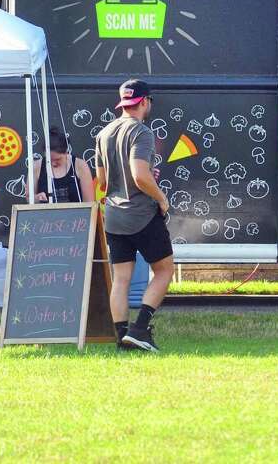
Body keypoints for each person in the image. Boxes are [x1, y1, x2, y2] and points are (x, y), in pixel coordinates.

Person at [95, 79, 173, 352]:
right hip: (141, 214)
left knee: (121, 279)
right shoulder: (142, 132)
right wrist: (161, 198)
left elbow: (102, 182)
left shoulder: (104, 134)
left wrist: (136, 178)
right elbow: (140, 176)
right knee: (164, 271)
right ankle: (140, 329)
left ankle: (122, 337)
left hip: (114, 216)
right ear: (144, 102)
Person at [30, 126, 95, 204]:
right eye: (49, 160)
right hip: (46, 215)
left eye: (58, 159)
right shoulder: (36, 167)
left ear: (66, 152)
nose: (53, 163)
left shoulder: (80, 166)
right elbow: (29, 198)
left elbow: (89, 202)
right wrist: (37, 198)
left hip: (76, 215)